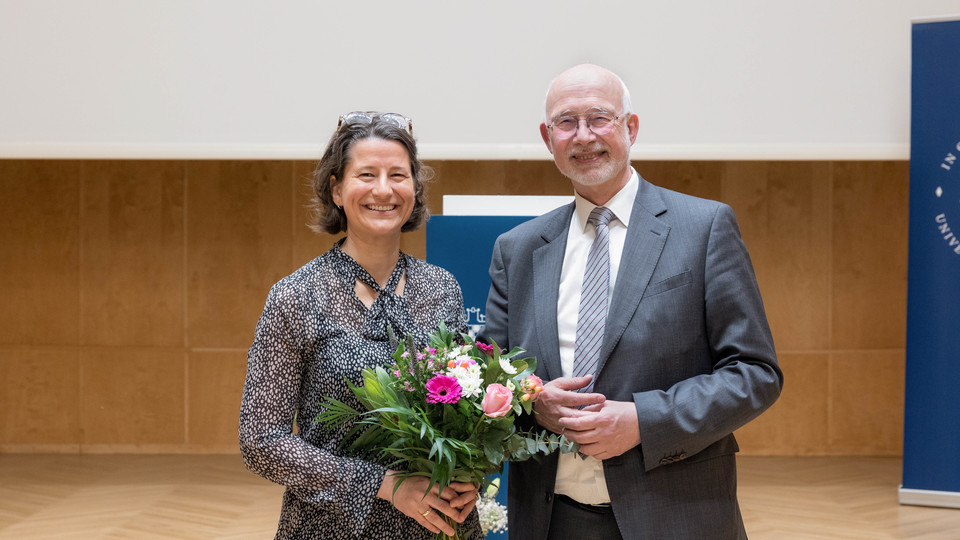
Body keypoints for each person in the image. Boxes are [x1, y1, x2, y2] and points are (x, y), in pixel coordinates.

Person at [480, 64, 783, 539]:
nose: (583, 136)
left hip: (674, 515)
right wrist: (534, 401)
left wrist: (645, 420)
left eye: (599, 118)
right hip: (548, 518)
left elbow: (755, 373)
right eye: (566, 122)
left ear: (631, 128)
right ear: (547, 138)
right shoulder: (518, 249)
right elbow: (488, 377)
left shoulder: (703, 229)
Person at [239, 111, 481, 539]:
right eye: (366, 174)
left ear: (414, 189)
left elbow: (461, 412)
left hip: (439, 525)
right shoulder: (296, 296)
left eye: (398, 175)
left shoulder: (442, 288)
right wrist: (384, 486)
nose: (383, 190)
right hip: (332, 528)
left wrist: (466, 474)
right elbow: (261, 441)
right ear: (336, 189)